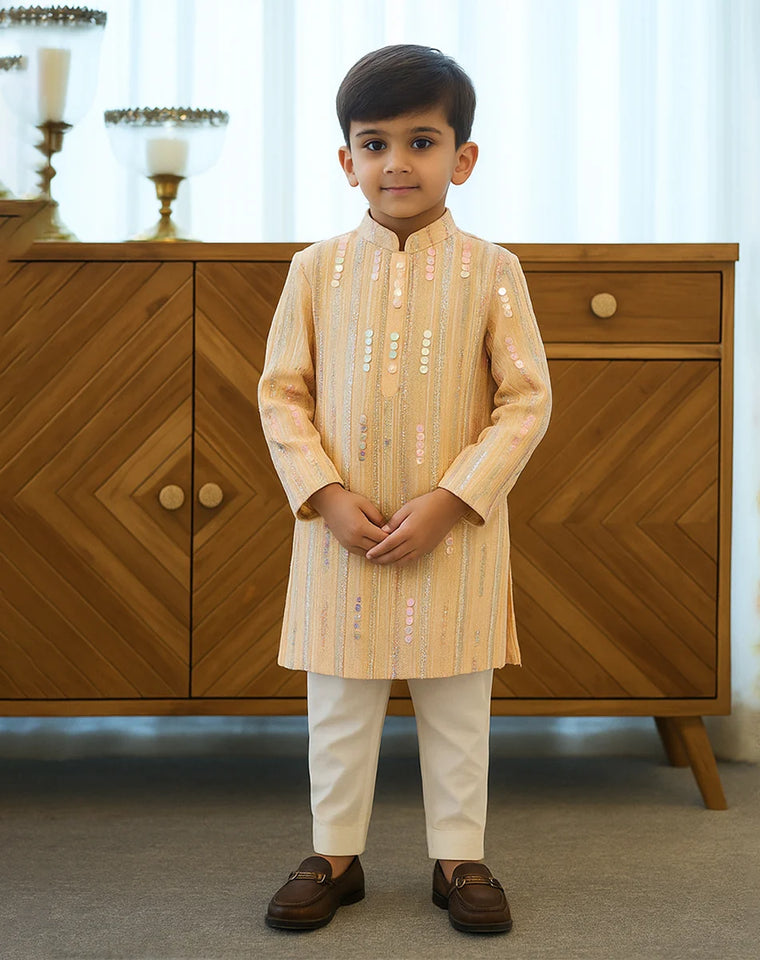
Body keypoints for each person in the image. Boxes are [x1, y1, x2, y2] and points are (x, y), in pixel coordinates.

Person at [257, 43, 552, 935]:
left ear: (462, 157)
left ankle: (460, 858)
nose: (397, 162)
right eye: (374, 143)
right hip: (338, 535)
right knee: (339, 706)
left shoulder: (493, 270)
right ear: (346, 160)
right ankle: (333, 856)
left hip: (453, 537)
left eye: (421, 141)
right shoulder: (314, 270)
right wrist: (325, 495)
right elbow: (281, 394)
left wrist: (454, 500)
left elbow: (526, 399)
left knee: (457, 705)